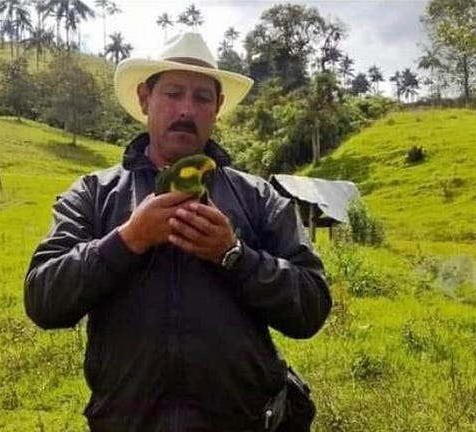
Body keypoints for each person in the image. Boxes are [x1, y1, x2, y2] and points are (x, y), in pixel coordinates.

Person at [24, 32, 332, 432]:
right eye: (172, 93)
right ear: (144, 99)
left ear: (217, 107)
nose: (186, 108)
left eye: (202, 97)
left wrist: (234, 256)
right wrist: (127, 240)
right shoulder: (93, 194)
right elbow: (43, 299)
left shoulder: (257, 197)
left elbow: (312, 306)